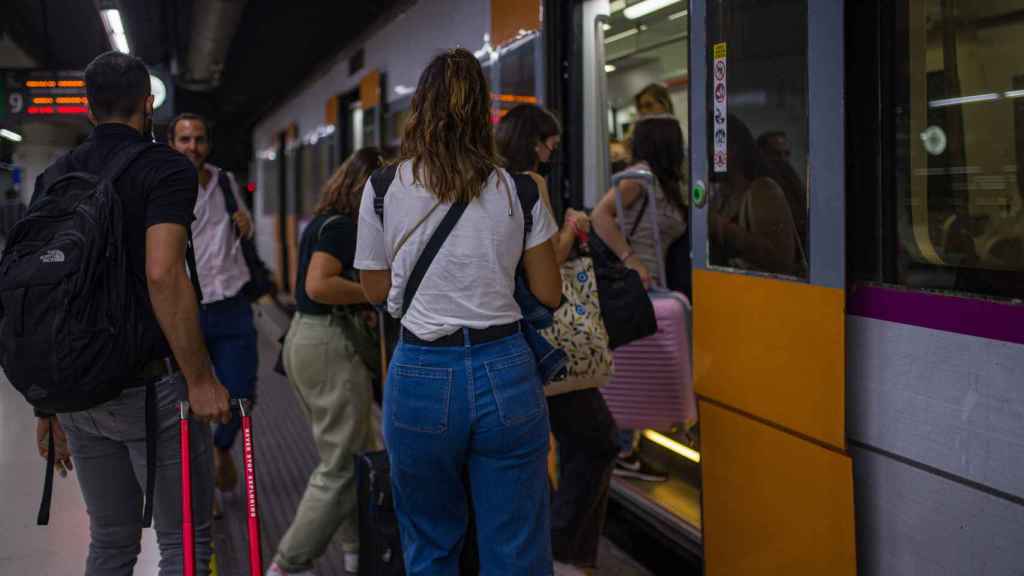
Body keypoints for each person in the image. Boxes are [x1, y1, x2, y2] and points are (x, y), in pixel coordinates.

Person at [355, 48, 562, 575]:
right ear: (483, 112)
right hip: (506, 372)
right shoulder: (520, 191)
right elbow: (549, 292)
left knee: (429, 545)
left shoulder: (381, 188)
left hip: (422, 372)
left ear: (419, 108)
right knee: (515, 548)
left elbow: (376, 290)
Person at [31, 51, 230, 575]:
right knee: (184, 542)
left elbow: (42, 293)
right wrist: (201, 378)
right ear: (148, 104)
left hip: (77, 390)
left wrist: (45, 403)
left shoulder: (54, 175)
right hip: (151, 393)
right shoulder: (165, 169)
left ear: (87, 108)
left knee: (112, 542)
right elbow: (164, 274)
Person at [497, 104, 619, 574]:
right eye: (550, 139)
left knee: (550, 446)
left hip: (513, 336)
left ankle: (566, 554)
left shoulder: (494, 184)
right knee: (598, 439)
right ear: (534, 140)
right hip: (549, 336)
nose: (553, 148)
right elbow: (546, 266)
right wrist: (572, 226)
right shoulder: (532, 183)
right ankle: (564, 553)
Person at [266, 148, 381, 576]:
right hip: (328, 342)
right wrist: (374, 292)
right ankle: (289, 563)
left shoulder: (324, 221)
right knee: (342, 463)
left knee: (351, 452)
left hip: (305, 339)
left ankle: (355, 552)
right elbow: (318, 285)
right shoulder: (345, 229)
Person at [591, 115, 688, 482]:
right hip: (633, 285)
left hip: (654, 289)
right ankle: (621, 448)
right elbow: (602, 215)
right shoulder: (639, 177)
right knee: (631, 364)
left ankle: (627, 443)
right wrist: (631, 260)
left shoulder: (668, 183)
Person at [169, 113, 259, 496]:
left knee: (241, 393)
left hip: (232, 303)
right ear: (172, 143)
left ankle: (222, 448)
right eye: (185, 139)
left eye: (199, 139)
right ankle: (204, 481)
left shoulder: (224, 181)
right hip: (188, 308)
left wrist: (246, 221)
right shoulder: (164, 185)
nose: (193, 147)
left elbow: (243, 223)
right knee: (191, 399)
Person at [709, 115, 803, 276]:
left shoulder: (763, 189)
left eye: (713, 145)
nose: (708, 154)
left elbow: (780, 261)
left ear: (734, 149)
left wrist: (718, 226)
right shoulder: (721, 194)